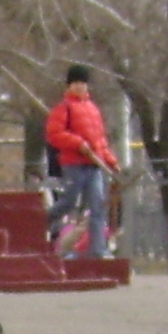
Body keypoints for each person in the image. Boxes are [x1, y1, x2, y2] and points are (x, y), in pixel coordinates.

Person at [44, 66, 117, 260]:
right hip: (73, 163)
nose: (80, 87)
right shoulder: (64, 108)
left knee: (98, 206)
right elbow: (54, 135)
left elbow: (100, 140)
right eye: (76, 83)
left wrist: (110, 160)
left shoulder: (93, 110)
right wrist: (78, 144)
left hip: (93, 165)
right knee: (68, 202)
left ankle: (98, 250)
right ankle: (41, 222)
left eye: (82, 83)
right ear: (69, 85)